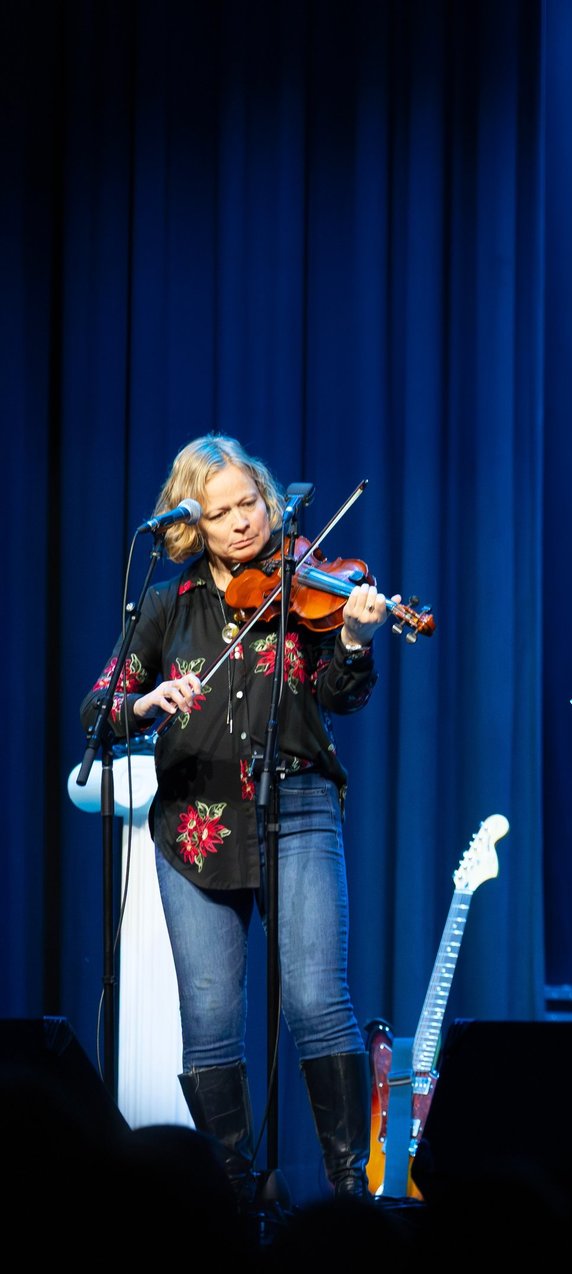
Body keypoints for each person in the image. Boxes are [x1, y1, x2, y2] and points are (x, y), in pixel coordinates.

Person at [80, 436, 391, 1202]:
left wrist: (352, 636)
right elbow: (99, 706)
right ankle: (234, 1201)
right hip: (196, 824)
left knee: (319, 1002)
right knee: (212, 1022)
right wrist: (144, 704)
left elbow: (341, 693)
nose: (241, 524)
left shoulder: (303, 582)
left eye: (249, 503)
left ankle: (350, 1194)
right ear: (196, 525)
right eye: (219, 514)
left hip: (298, 804)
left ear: (267, 498)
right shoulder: (167, 606)